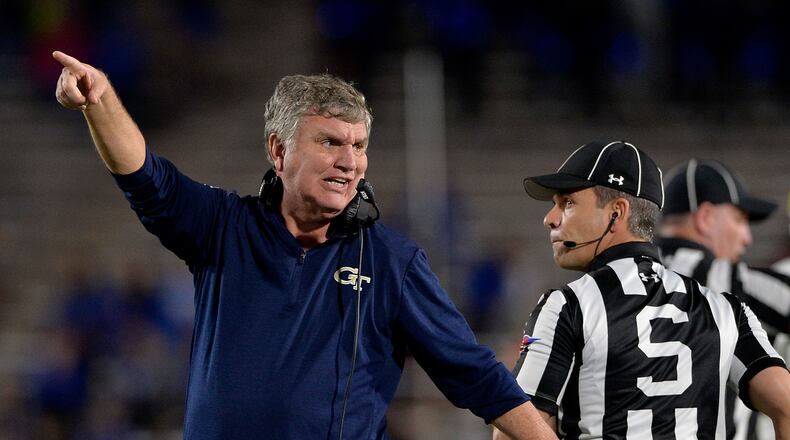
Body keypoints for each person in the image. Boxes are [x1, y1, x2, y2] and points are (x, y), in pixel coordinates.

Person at [52, 51, 556, 440]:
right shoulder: (223, 226)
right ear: (278, 149)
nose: (350, 162)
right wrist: (99, 100)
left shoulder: (392, 263)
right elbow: (143, 175)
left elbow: (474, 373)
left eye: (358, 146)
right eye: (330, 142)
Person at [494, 141, 790, 439]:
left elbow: (513, 433)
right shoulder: (727, 308)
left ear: (616, 213)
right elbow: (786, 406)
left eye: (567, 203)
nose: (550, 218)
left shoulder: (567, 305)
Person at [657, 159, 790, 439]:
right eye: (740, 219)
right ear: (705, 217)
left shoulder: (611, 278)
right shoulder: (718, 280)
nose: (747, 238)